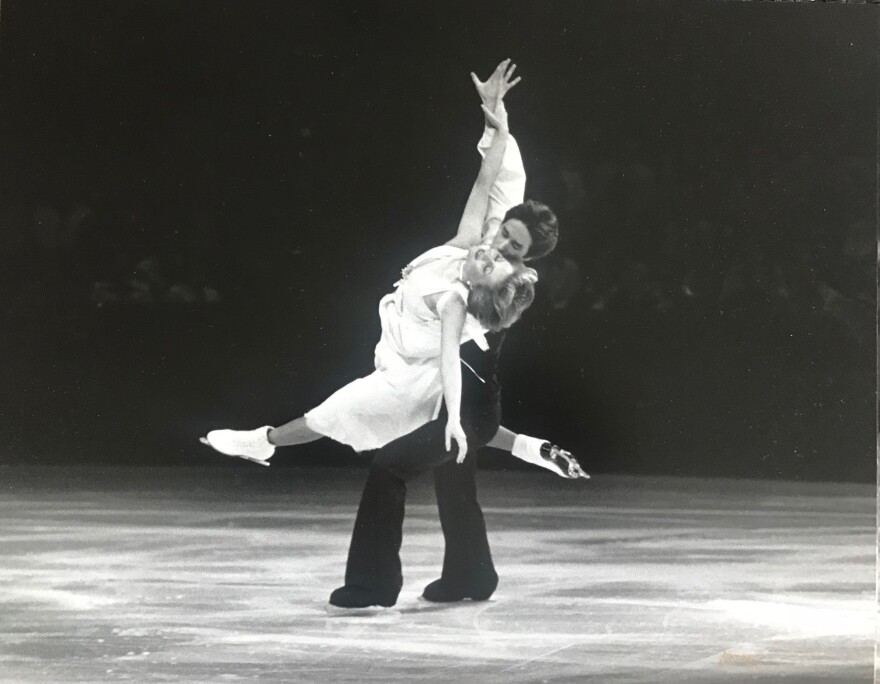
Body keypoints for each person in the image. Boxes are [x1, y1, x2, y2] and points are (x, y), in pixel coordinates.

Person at [328, 61, 587, 611]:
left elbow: (459, 338)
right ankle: (472, 575)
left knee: (404, 462)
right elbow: (495, 172)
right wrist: (495, 116)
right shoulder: (493, 230)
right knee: (455, 476)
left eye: (513, 248)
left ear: (525, 263)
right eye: (505, 233)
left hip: (466, 384)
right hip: (459, 387)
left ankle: (374, 585)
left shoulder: (508, 284)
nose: (500, 244)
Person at [201, 84, 539, 471]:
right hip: (399, 340)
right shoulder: (464, 244)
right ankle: (529, 447)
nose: (487, 250)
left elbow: (450, 362)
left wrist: (457, 424)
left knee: (335, 413)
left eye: (489, 264)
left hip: (409, 373)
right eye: (494, 253)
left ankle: (263, 441)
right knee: (426, 412)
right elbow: (485, 180)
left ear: (478, 284)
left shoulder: (453, 302)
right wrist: (497, 115)